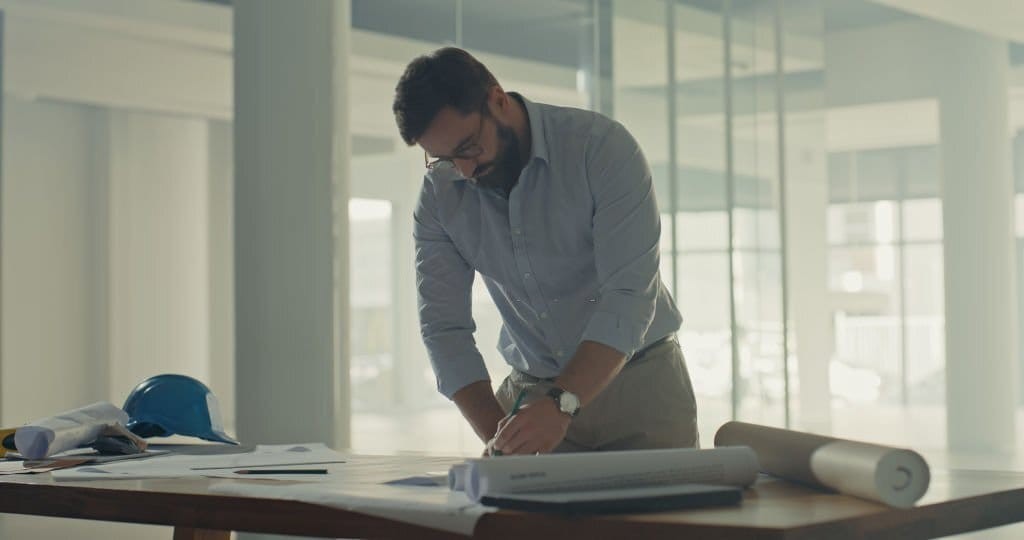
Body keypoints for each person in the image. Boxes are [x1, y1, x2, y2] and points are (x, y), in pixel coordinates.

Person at [392, 47, 698, 456]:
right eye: (444, 159)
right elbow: (444, 331)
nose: (463, 171)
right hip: (530, 399)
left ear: (497, 101)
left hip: (639, 387)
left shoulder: (600, 149)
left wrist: (562, 404)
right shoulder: (439, 196)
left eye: (468, 147)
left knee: (666, 522)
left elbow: (627, 298)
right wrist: (500, 435)